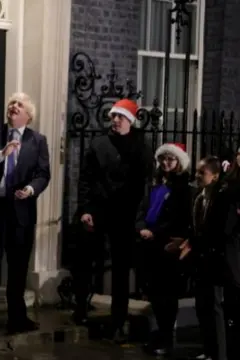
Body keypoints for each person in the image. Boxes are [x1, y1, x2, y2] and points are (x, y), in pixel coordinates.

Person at [74, 98, 153, 342]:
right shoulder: (98, 144)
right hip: (99, 209)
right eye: (114, 117)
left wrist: (139, 218)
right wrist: (86, 208)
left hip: (125, 214)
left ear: (130, 120)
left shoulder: (141, 146)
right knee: (87, 260)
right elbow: (85, 178)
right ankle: (81, 308)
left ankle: (118, 319)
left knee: (120, 268)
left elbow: (145, 183)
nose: (116, 120)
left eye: (121, 117)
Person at [0, 92, 51, 334]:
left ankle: (18, 317)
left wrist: (30, 189)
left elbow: (43, 173)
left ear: (28, 115)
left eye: (20, 104)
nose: (14, 106)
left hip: (21, 210)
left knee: (18, 266)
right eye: (11, 103)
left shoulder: (38, 140)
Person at [179, 156, 240, 360]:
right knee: (202, 305)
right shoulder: (199, 197)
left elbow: (220, 231)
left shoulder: (222, 197)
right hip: (201, 259)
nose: (197, 176)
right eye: (196, 172)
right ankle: (209, 350)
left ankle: (219, 354)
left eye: (202, 173)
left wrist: (195, 243)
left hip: (216, 260)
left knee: (214, 308)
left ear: (214, 176)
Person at [134, 143, 192, 357]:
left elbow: (178, 219)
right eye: (164, 159)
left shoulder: (183, 188)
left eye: (171, 159)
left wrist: (155, 232)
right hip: (149, 245)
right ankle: (160, 334)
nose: (166, 163)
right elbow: (142, 208)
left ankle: (167, 338)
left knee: (167, 296)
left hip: (166, 246)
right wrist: (140, 227)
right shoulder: (155, 184)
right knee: (155, 295)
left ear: (179, 163)